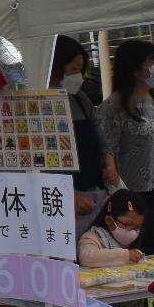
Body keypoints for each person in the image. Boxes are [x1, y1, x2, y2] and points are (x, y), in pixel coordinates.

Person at [97, 39, 154, 254]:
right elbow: (106, 148)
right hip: (134, 201)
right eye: (151, 61)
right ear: (135, 69)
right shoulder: (112, 107)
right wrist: (110, 170)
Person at [53, 35, 108, 230]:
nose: (79, 77)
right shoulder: (39, 103)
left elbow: (100, 137)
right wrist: (67, 196)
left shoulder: (80, 99)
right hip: (58, 202)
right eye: (74, 69)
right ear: (56, 67)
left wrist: (108, 166)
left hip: (92, 193)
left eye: (81, 69)